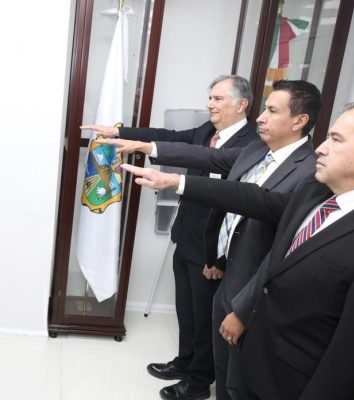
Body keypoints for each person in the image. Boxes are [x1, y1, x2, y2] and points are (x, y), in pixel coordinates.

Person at [122, 100, 354, 400]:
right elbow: (256, 205)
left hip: (297, 381)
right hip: (255, 355)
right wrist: (176, 182)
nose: (322, 148)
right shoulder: (315, 192)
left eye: (336, 139)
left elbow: (353, 357)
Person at [97, 80, 320, 400]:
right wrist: (147, 147)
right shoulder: (259, 149)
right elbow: (207, 157)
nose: (260, 118)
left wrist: (176, 182)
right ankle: (196, 372)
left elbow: (252, 201)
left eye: (272, 111)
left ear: (299, 121)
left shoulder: (310, 171)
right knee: (222, 361)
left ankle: (200, 381)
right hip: (226, 267)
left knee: (239, 375)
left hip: (253, 285)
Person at [82, 75, 257, 400]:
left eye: (218, 99)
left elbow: (240, 207)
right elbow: (169, 137)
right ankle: (185, 361)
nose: (210, 104)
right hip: (186, 236)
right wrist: (119, 132)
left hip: (212, 250)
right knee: (186, 311)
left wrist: (218, 258)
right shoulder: (208, 131)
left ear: (241, 104)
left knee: (204, 318)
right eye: (210, 97)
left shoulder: (251, 145)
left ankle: (198, 381)